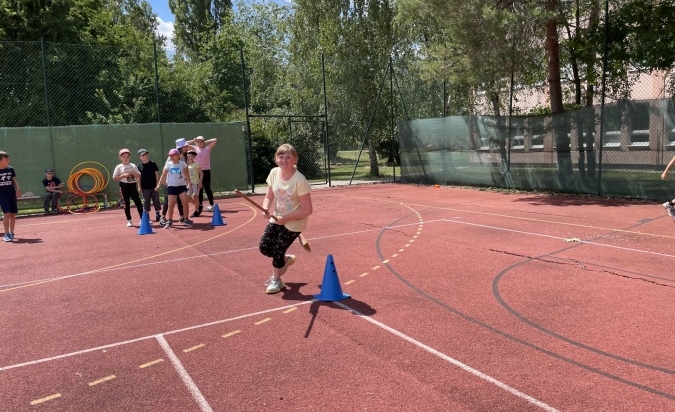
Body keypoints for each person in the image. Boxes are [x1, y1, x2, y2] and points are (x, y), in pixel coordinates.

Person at [259, 143, 313, 294]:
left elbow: (307, 209)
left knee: (277, 250)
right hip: (277, 218)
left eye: (288, 157)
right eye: (281, 156)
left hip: (295, 222)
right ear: (276, 159)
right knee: (264, 247)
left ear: (295, 159)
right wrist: (265, 207)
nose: (284, 160)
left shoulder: (300, 180)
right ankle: (286, 260)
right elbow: (268, 196)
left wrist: (286, 218)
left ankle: (276, 281)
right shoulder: (274, 173)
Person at [160, 138, 197, 225]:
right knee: (168, 201)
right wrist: (164, 181)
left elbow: (184, 170)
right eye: (185, 146)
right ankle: (163, 216)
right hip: (171, 182)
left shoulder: (184, 156)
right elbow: (166, 168)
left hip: (181, 182)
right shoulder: (173, 155)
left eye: (186, 146)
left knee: (182, 200)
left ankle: (183, 217)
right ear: (180, 147)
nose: (186, 147)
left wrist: (187, 181)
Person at [187, 135, 217, 216]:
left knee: (207, 188)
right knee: (199, 189)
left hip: (206, 171)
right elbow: (185, 144)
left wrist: (204, 142)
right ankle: (200, 206)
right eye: (198, 141)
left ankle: (211, 205)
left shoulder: (207, 148)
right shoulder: (194, 148)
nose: (199, 143)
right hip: (197, 171)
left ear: (203, 142)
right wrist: (194, 140)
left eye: (201, 141)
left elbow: (215, 139)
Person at [112, 148, 143, 227]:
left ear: (129, 157)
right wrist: (123, 176)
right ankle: (129, 220)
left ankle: (142, 219)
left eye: (127, 156)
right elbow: (114, 178)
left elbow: (139, 175)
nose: (125, 158)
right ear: (120, 158)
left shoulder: (133, 165)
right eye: (124, 157)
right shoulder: (119, 167)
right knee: (126, 203)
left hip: (132, 186)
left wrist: (134, 174)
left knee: (138, 202)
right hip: (124, 186)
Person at [0, 151, 21, 242]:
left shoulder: (11, 169)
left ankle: (12, 232)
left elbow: (13, 180)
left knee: (12, 214)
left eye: (9, 159)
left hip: (11, 194)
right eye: (6, 159)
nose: (8, 161)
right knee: (7, 213)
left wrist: (18, 188)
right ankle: (6, 233)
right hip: (1, 195)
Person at [137, 149, 161, 222]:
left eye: (145, 154)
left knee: (156, 201)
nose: (144, 156)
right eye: (142, 155)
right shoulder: (139, 166)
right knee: (146, 202)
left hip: (154, 187)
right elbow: (138, 177)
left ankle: (158, 214)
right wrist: (139, 186)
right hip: (145, 188)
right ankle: (147, 216)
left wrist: (158, 184)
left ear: (147, 155)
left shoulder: (153, 163)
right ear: (139, 157)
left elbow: (157, 174)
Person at [186, 150, 203, 214]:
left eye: (192, 156)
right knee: (187, 196)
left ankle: (196, 211)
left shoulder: (196, 164)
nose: (190, 157)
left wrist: (200, 182)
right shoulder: (187, 165)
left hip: (196, 183)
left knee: (195, 196)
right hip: (190, 184)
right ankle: (199, 206)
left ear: (194, 157)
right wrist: (188, 182)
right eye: (189, 156)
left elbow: (201, 174)